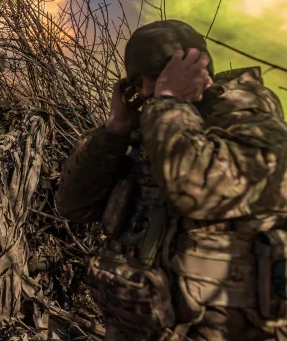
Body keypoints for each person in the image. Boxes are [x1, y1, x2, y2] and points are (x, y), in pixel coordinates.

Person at [57, 19, 287, 341]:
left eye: (158, 77)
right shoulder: (158, 125)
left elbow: (193, 190)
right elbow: (74, 206)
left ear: (198, 69)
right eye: (138, 83)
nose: (147, 91)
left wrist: (168, 103)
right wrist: (115, 131)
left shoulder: (251, 124)